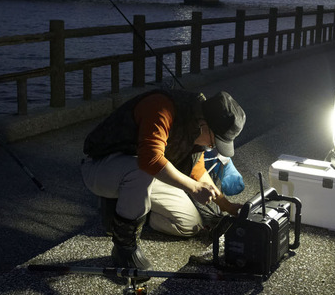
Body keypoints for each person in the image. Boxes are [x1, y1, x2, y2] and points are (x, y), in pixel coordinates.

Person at [80, 89, 246, 278]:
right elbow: (150, 159)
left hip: (144, 176)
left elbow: (197, 172)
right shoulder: (161, 107)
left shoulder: (194, 127)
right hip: (101, 166)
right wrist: (192, 188)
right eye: (214, 142)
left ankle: (131, 208)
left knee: (190, 224)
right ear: (204, 125)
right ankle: (124, 246)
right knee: (140, 170)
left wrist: (227, 206)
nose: (212, 147)